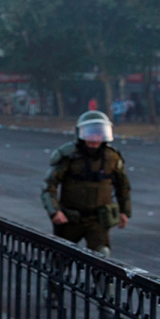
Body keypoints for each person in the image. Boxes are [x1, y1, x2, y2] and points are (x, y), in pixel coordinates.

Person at [41, 110, 130, 257]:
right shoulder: (68, 155)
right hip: (70, 218)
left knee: (102, 257)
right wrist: (55, 211)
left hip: (98, 219)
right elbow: (49, 185)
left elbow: (123, 186)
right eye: (90, 133)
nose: (94, 139)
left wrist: (124, 211)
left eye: (99, 133)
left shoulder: (112, 157)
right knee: (59, 258)